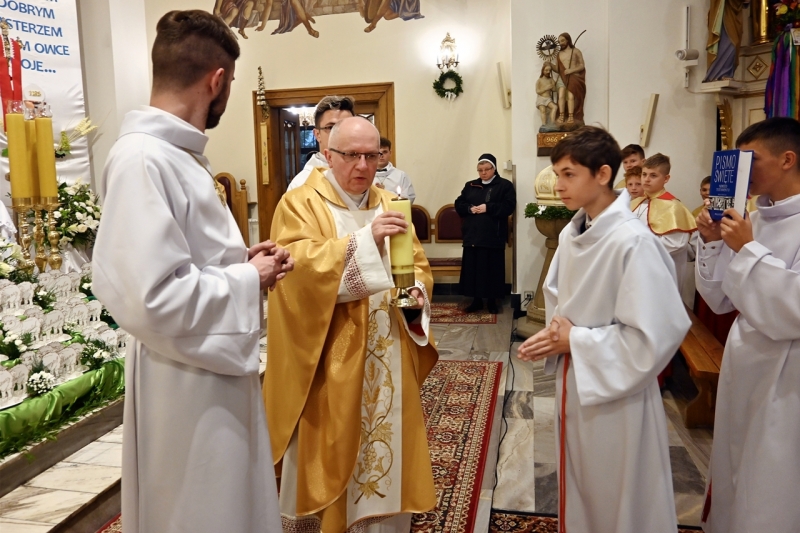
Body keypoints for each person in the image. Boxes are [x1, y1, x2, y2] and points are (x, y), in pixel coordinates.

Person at [91, 11, 291, 533]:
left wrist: (242, 263)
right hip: (184, 384)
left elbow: (183, 262)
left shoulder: (176, 156)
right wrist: (249, 279)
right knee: (202, 508)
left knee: (228, 499)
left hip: (207, 366)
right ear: (217, 81)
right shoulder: (143, 159)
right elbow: (152, 297)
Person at [264, 116, 438, 533]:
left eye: (372, 156)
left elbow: (416, 266)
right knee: (331, 444)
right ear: (328, 154)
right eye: (352, 155)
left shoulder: (391, 203)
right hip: (329, 357)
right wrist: (366, 241)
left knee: (386, 444)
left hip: (387, 352)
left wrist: (416, 293)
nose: (363, 165)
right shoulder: (300, 203)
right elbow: (295, 270)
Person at [518, 126, 689, 533]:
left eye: (569, 174)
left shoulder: (633, 242)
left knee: (617, 495)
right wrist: (556, 335)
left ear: (602, 174)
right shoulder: (573, 232)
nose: (558, 185)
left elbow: (655, 334)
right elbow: (561, 298)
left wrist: (574, 339)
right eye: (557, 174)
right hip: (579, 380)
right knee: (585, 487)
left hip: (617, 395)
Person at [695, 117, 800, 533]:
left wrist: (749, 248)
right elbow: (720, 298)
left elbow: (793, 308)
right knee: (735, 461)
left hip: (786, 373)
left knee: (769, 475)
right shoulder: (753, 217)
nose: (742, 173)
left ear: (788, 159)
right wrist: (713, 242)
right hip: (744, 361)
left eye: (751, 161)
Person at [454, 153, 516, 314]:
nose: (483, 173)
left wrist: (488, 208)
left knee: (492, 270)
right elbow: (459, 203)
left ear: (494, 169)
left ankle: (492, 301)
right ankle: (476, 301)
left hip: (493, 236)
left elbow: (508, 206)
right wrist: (469, 209)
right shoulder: (471, 185)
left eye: (487, 169)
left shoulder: (504, 185)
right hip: (473, 235)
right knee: (474, 270)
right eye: (480, 170)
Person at [631, 153, 697, 287]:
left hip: (660, 273)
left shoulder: (673, 207)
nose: (646, 179)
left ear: (666, 178)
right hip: (635, 268)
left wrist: (636, 245)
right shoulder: (635, 203)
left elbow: (676, 244)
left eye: (653, 175)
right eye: (644, 174)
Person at [287, 95, 355, 191]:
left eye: (347, 127)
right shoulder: (300, 185)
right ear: (317, 134)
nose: (341, 134)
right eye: (331, 127)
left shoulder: (365, 175)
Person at [555, 32, 586, 126]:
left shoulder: (576, 51)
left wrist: (571, 70)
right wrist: (549, 65)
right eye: (559, 41)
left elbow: (582, 65)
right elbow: (557, 69)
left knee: (571, 97)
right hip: (562, 77)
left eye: (562, 40)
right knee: (561, 96)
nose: (561, 43)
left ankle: (571, 116)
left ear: (568, 40)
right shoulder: (559, 54)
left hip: (573, 77)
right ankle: (561, 116)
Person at [375, 136, 416, 203]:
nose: (381, 155)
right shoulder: (366, 175)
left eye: (384, 152)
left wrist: (385, 193)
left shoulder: (401, 175)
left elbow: (409, 198)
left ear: (390, 153)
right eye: (378, 152)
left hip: (394, 209)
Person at [536, 62, 558, 130]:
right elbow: (538, 91)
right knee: (543, 111)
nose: (548, 72)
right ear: (543, 70)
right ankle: (544, 124)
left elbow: (554, 90)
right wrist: (545, 88)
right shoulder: (539, 80)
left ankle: (552, 123)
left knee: (554, 107)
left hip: (548, 98)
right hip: (541, 98)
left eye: (549, 70)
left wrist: (553, 86)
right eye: (546, 70)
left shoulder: (551, 79)